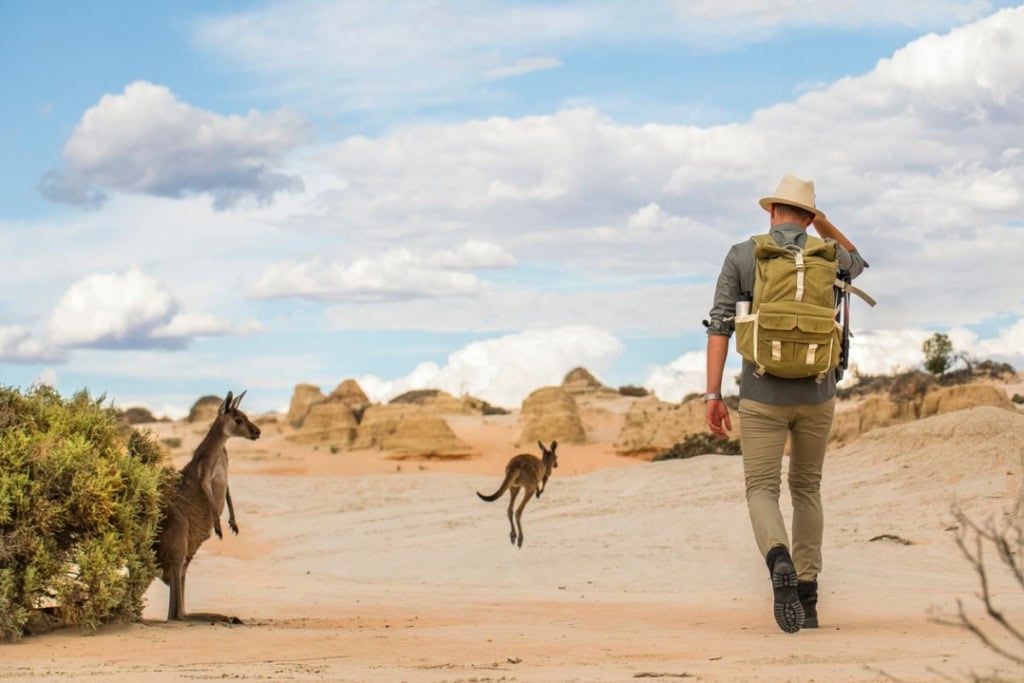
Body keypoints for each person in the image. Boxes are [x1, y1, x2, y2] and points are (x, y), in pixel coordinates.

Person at [703, 174, 868, 633]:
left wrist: (714, 394)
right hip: (818, 392)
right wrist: (826, 226)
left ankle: (779, 559)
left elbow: (719, 326)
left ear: (771, 212)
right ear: (810, 217)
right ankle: (810, 597)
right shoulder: (830, 254)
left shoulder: (743, 254)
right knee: (807, 488)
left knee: (762, 488)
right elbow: (861, 264)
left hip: (761, 391)